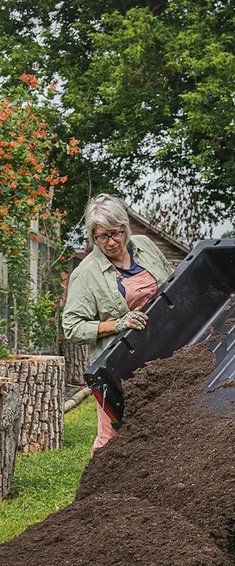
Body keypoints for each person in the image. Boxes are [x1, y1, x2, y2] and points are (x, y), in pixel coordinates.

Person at [62, 194, 175, 453]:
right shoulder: (86, 273)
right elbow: (71, 327)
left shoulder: (145, 245)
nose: (112, 242)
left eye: (116, 233)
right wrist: (118, 324)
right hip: (118, 364)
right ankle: (95, 491)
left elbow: (171, 282)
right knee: (112, 436)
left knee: (160, 428)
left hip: (161, 353)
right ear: (93, 236)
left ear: (125, 227)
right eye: (103, 236)